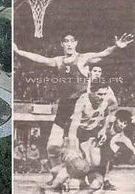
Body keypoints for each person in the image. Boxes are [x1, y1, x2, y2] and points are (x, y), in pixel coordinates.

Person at [14, 33, 133, 169]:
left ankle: (93, 168)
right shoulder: (59, 61)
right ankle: (59, 174)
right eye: (66, 41)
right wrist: (19, 51)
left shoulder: (83, 58)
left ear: (76, 43)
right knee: (51, 148)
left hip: (81, 104)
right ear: (62, 44)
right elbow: (40, 58)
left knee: (84, 151)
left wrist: (116, 47)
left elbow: (103, 53)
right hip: (64, 106)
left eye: (72, 41)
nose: (69, 44)